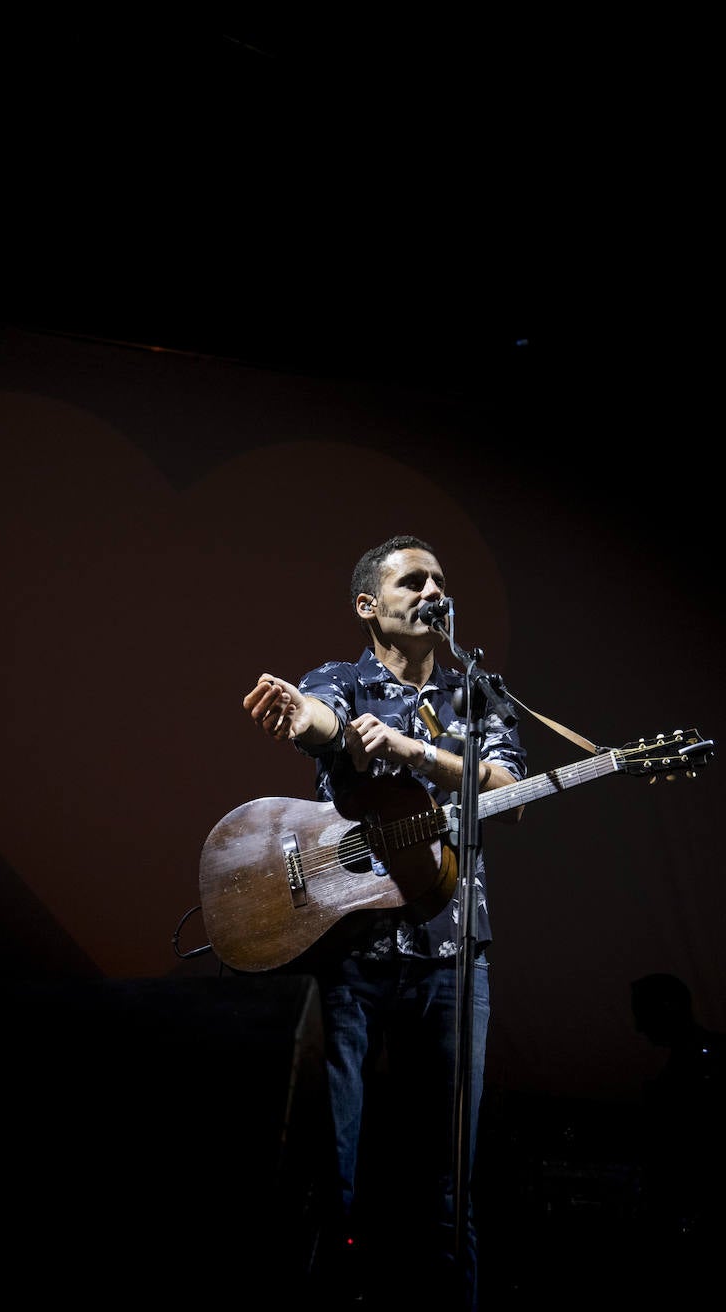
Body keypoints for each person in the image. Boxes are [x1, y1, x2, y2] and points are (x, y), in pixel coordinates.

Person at [242, 534, 527, 1311]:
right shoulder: (338, 680)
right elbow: (317, 722)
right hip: (351, 949)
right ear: (368, 605)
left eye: (439, 579)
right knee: (331, 1160)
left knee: (449, 1176)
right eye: (412, 580)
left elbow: (511, 788)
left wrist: (416, 751)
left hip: (452, 951)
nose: (431, 590)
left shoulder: (477, 695)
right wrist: (300, 715)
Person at [629, 972, 726, 1294]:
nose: (640, 1027)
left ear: (669, 1008)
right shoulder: (687, 1064)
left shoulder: (702, 1065)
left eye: (644, 1014)